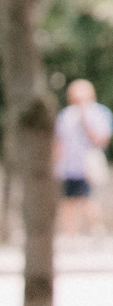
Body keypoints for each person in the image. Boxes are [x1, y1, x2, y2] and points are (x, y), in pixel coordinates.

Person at [54, 76, 112, 233]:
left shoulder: (100, 112)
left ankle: (97, 229)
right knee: (67, 200)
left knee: (89, 198)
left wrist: (84, 119)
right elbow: (59, 140)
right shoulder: (66, 115)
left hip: (89, 162)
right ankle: (70, 233)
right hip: (69, 165)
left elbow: (101, 139)